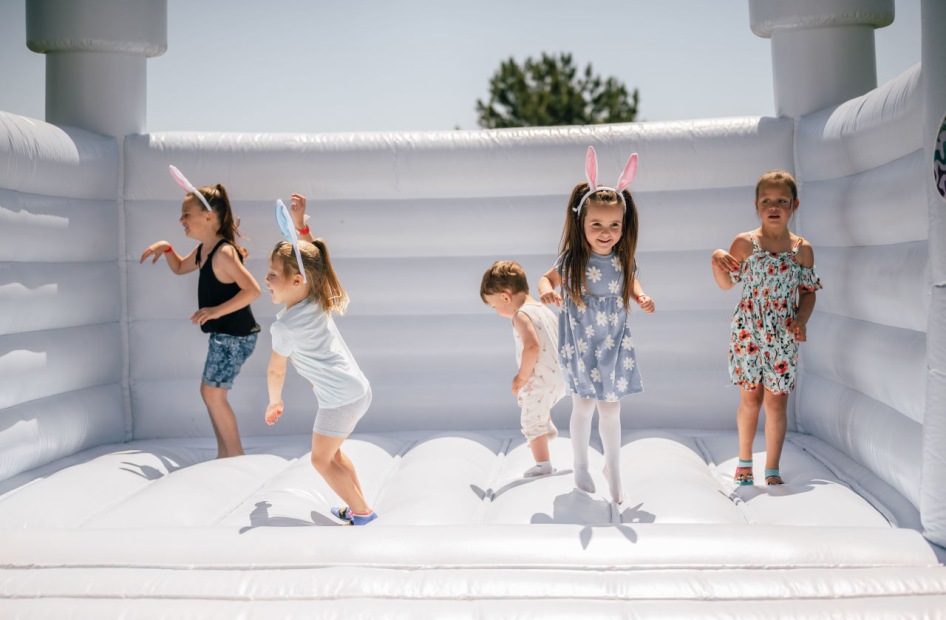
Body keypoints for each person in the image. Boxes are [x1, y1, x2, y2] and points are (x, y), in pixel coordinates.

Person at [538, 147, 655, 504]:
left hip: (613, 342)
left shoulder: (623, 257)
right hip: (582, 341)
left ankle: (614, 469)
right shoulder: (573, 258)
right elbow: (546, 279)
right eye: (597, 225)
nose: (606, 233)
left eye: (614, 225)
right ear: (582, 223)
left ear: (624, 224)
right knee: (584, 405)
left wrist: (641, 296)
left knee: (612, 407)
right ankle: (580, 465)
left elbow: (631, 282)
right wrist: (546, 293)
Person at [263, 194, 377, 526]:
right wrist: (301, 227)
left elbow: (275, 368)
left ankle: (364, 513)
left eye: (272, 274)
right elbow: (314, 261)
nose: (266, 280)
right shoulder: (315, 297)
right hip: (357, 391)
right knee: (334, 454)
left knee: (320, 461)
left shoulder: (284, 326)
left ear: (297, 280)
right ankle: (357, 505)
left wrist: (274, 402)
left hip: (340, 399)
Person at [710, 170, 822, 486]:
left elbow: (808, 291)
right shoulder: (745, 243)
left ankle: (772, 468)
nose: (774, 206)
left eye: (782, 201)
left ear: (794, 205)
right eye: (766, 201)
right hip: (748, 330)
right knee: (751, 399)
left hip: (784, 333)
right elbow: (726, 284)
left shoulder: (802, 250)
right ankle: (744, 461)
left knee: (776, 401)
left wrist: (801, 320)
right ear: (757, 206)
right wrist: (717, 258)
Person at [140, 181, 260, 459]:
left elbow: (252, 290)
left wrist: (216, 311)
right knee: (210, 393)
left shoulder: (224, 252)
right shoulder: (205, 250)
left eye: (186, 214)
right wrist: (168, 249)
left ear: (208, 217)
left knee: (213, 394)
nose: (181, 220)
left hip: (236, 336)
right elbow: (181, 267)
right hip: (226, 335)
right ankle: (225, 455)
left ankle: (236, 457)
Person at [481, 260, 566, 478]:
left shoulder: (521, 315)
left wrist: (521, 376)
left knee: (529, 419)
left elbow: (532, 346)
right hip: (561, 377)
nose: (497, 311)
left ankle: (543, 465)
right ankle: (545, 423)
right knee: (537, 409)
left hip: (540, 377)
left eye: (494, 306)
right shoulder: (543, 310)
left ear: (505, 297)